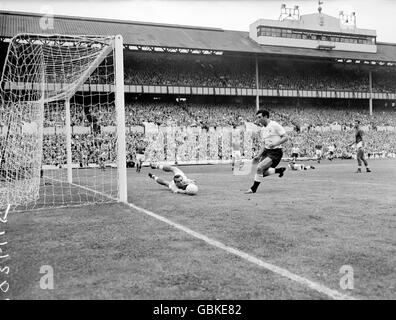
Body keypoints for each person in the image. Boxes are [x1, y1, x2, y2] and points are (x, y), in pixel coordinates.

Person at [245, 109, 288, 194]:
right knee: (262, 173)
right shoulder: (263, 129)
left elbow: (286, 137)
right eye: (257, 118)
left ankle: (253, 189)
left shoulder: (275, 125)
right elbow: (264, 145)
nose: (258, 119)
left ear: (265, 116)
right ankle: (279, 170)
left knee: (260, 167)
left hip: (276, 152)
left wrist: (275, 143)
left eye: (259, 117)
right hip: (267, 152)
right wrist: (258, 155)